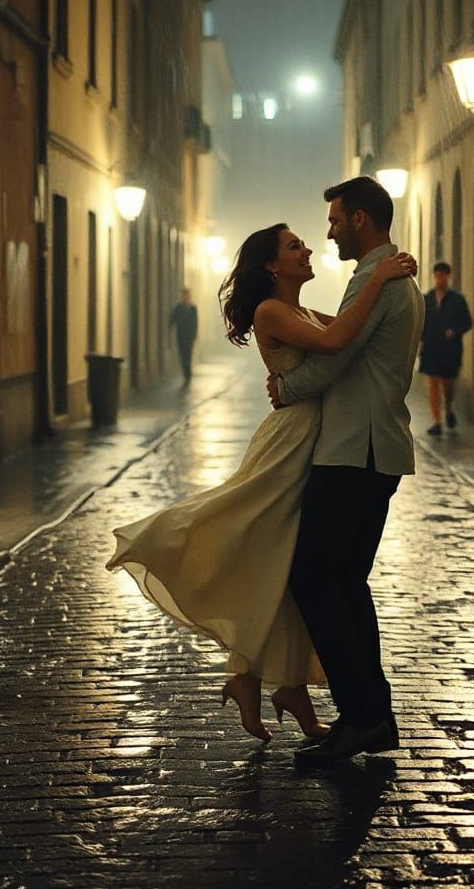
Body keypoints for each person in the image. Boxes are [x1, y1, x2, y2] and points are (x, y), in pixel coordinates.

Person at [106, 220, 417, 745]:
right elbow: (340, 340)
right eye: (295, 246)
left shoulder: (296, 309)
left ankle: (265, 679)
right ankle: (252, 668)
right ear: (273, 264)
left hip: (315, 441)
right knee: (249, 536)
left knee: (282, 559)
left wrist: (375, 290)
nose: (308, 248)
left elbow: (349, 332)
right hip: (291, 443)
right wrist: (381, 276)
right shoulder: (271, 310)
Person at [267, 175, 424, 765]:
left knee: (312, 579)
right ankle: (372, 716)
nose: (328, 232)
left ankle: (361, 715)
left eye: (334, 221)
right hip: (375, 448)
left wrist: (286, 386)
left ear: (360, 219)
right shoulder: (394, 276)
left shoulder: (379, 280)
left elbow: (336, 356)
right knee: (347, 584)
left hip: (353, 451)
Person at [419, 262, 473, 434]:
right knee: (432, 383)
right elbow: (420, 321)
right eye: (437, 275)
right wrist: (422, 337)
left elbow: (468, 323)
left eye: (443, 275)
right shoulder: (426, 299)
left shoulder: (458, 300)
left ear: (448, 277)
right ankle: (437, 422)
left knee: (448, 385)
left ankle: (448, 408)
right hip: (431, 347)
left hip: (450, 350)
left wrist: (455, 332)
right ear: (434, 276)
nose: (440, 279)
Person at [169, 288, 198, 386]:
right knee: (182, 355)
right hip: (180, 336)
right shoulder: (178, 308)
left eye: (187, 295)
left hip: (189, 337)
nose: (185, 297)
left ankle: (188, 374)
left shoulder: (193, 308)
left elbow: (195, 323)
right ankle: (186, 373)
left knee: (188, 355)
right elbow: (172, 318)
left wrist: (194, 335)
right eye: (184, 295)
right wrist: (171, 326)